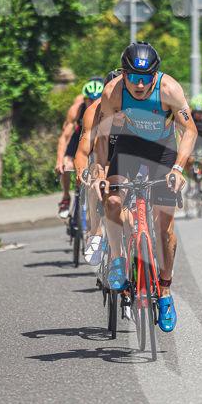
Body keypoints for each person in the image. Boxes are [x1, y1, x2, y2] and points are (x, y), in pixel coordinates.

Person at [92, 42, 197, 333]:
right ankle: (117, 260)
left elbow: (189, 130)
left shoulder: (169, 90)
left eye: (146, 77)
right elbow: (103, 135)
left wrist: (178, 168)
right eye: (133, 77)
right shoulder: (113, 92)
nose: (139, 85)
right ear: (124, 74)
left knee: (165, 228)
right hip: (129, 146)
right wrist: (100, 169)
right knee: (113, 202)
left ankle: (164, 291)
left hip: (162, 150)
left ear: (155, 75)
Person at [74, 71, 124, 265]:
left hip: (129, 155)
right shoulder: (93, 111)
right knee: (94, 180)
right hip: (103, 154)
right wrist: (81, 171)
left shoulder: (138, 107)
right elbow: (83, 150)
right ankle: (95, 233)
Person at [55, 77, 103, 218]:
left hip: (97, 138)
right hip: (79, 137)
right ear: (85, 99)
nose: (93, 103)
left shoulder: (108, 108)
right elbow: (64, 137)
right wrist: (59, 161)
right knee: (66, 165)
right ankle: (66, 197)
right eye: (90, 100)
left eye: (97, 100)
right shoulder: (76, 109)